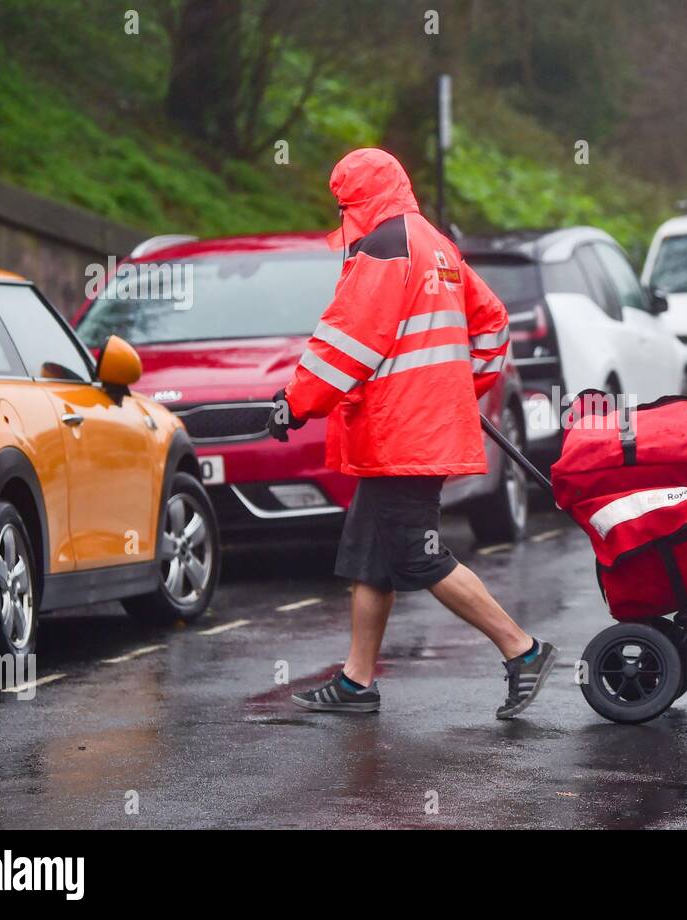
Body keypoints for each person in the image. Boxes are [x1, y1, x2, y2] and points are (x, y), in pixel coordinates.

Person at [267, 147, 556, 719]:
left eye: (342, 201)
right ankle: (356, 682)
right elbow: (493, 321)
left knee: (419, 556)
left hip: (404, 436)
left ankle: (523, 650)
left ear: (354, 198)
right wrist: (460, 388)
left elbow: (347, 342)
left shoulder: (383, 247)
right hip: (412, 430)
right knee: (369, 556)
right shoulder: (433, 243)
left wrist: (296, 405)